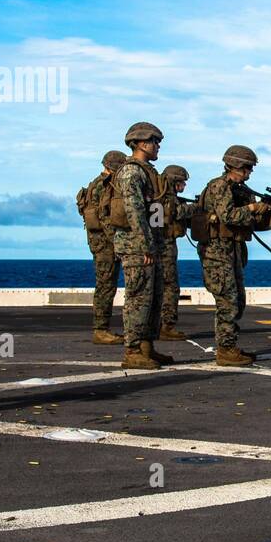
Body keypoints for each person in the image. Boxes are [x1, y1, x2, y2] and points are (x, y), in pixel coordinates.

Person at [195, 145, 271, 366]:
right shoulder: (220, 186)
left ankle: (229, 345)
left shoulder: (239, 189)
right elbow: (228, 216)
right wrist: (254, 208)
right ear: (236, 166)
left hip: (232, 250)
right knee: (228, 302)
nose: (249, 173)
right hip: (217, 251)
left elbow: (249, 224)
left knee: (237, 301)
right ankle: (225, 350)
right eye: (247, 168)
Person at [108, 122, 174, 370]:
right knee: (138, 298)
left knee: (153, 298)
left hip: (149, 244)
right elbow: (134, 211)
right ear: (142, 143)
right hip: (137, 246)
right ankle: (133, 350)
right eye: (154, 142)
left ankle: (146, 347)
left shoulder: (147, 172)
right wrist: (145, 245)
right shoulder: (131, 172)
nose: (157, 147)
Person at [77, 149, 127, 345]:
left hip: (100, 242)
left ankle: (102, 327)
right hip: (105, 244)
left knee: (107, 285)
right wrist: (118, 241)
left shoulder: (96, 184)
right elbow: (105, 218)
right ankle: (101, 329)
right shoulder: (103, 186)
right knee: (106, 286)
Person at [157, 164, 194, 341]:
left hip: (161, 244)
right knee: (171, 286)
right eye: (182, 183)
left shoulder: (158, 195)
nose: (184, 187)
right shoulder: (165, 198)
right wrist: (195, 207)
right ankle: (167, 326)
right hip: (165, 245)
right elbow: (174, 213)